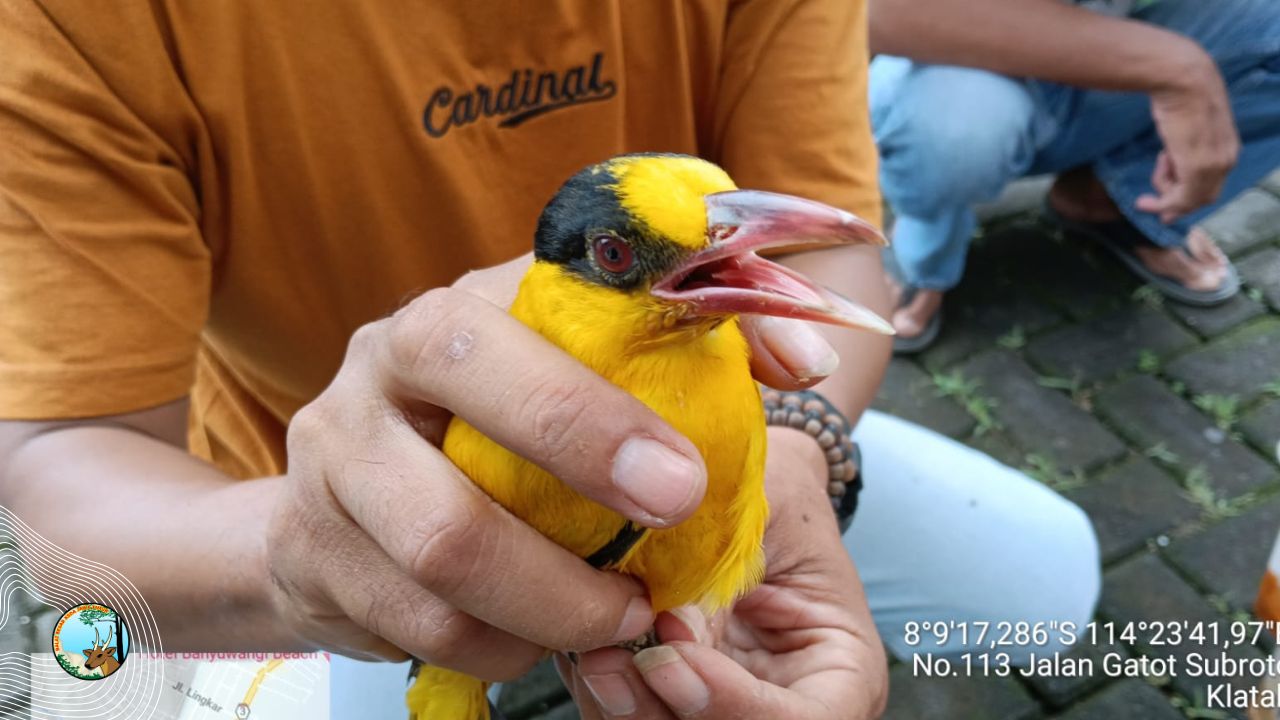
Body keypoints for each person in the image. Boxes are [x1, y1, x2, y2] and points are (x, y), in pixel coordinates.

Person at [0, 1, 1097, 718]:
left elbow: (835, 275)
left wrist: (796, 454)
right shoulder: (71, 22)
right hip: (284, 510)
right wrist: (306, 550)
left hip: (726, 469)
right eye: (625, 251)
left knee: (1047, 580)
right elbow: (52, 485)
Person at [871, 0, 1280, 352]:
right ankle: (923, 242)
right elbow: (875, 12)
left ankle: (1113, 201)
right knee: (954, 131)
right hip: (949, 53)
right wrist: (1180, 72)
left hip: (1121, 29)